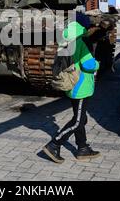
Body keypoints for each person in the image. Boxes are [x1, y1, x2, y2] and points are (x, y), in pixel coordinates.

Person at [42, 12, 101, 163]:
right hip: (81, 86)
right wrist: (97, 64)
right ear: (83, 26)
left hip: (71, 83)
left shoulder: (65, 39)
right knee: (78, 121)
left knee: (80, 118)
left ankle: (82, 148)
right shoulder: (80, 42)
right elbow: (88, 64)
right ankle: (54, 144)